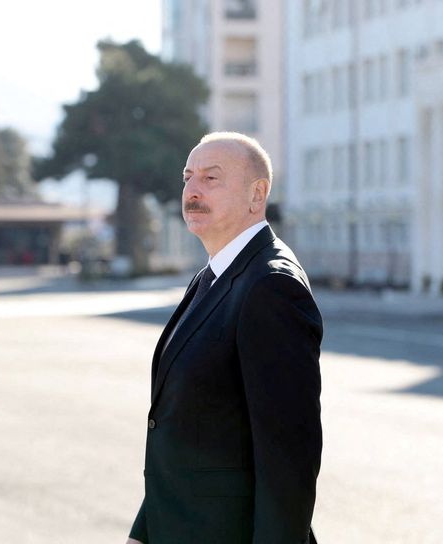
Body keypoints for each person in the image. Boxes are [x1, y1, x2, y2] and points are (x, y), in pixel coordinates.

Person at [127, 132, 323, 544]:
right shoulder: (212, 277)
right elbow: (186, 433)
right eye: (187, 177)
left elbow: (288, 457)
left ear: (257, 194)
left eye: (211, 178)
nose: (192, 190)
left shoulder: (270, 286)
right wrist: (143, 533)